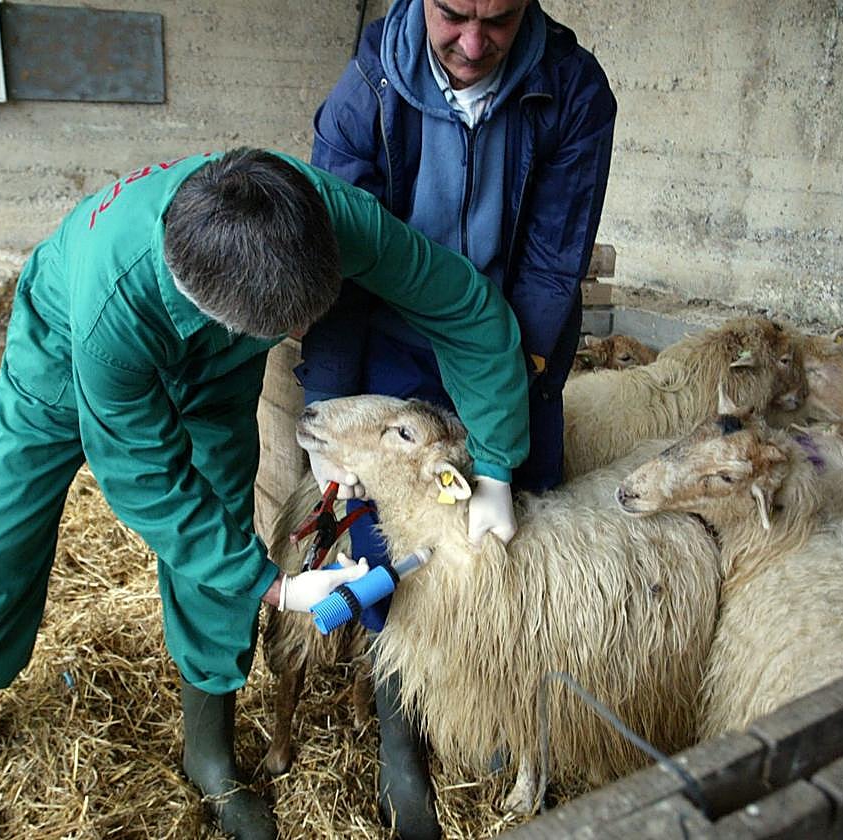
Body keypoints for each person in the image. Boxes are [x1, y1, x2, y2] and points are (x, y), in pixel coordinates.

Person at [0, 148, 529, 840]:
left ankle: (208, 753)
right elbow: (148, 480)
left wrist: (497, 465)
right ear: (209, 304)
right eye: (282, 332)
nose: (297, 339)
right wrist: (277, 590)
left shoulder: (330, 218)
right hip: (61, 356)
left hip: (217, 373)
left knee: (225, 518)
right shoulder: (114, 309)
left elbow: (463, 305)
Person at [297, 1, 616, 835]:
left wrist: (507, 431)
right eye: (453, 14)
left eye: (500, 20)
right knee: (394, 540)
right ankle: (401, 731)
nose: (474, 45)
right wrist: (324, 410)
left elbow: (552, 261)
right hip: (397, 337)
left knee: (509, 544)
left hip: (514, 341)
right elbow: (335, 262)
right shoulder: (367, 88)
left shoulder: (572, 90)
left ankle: (506, 717)